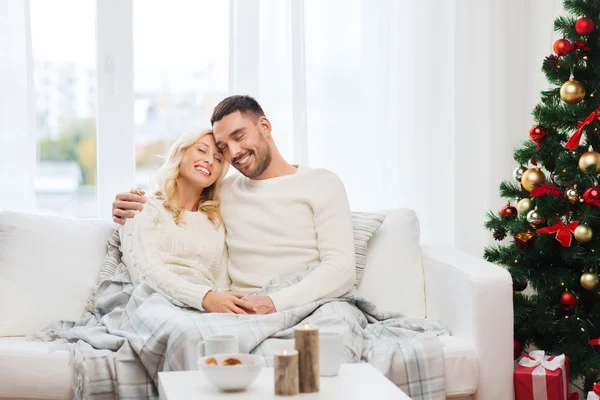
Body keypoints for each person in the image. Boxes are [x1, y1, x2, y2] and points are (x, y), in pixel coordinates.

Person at [113, 95, 356, 314]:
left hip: (306, 300)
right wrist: (127, 203)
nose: (234, 152)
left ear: (265, 126)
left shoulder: (322, 183)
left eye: (239, 137)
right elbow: (177, 203)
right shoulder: (223, 190)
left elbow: (341, 268)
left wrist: (275, 303)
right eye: (224, 148)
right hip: (244, 307)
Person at [119, 129, 256, 314]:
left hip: (203, 308)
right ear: (180, 153)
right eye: (201, 150)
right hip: (151, 300)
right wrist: (205, 298)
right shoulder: (142, 208)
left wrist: (225, 308)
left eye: (218, 159)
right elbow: (144, 272)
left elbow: (222, 285)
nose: (209, 160)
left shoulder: (215, 223)